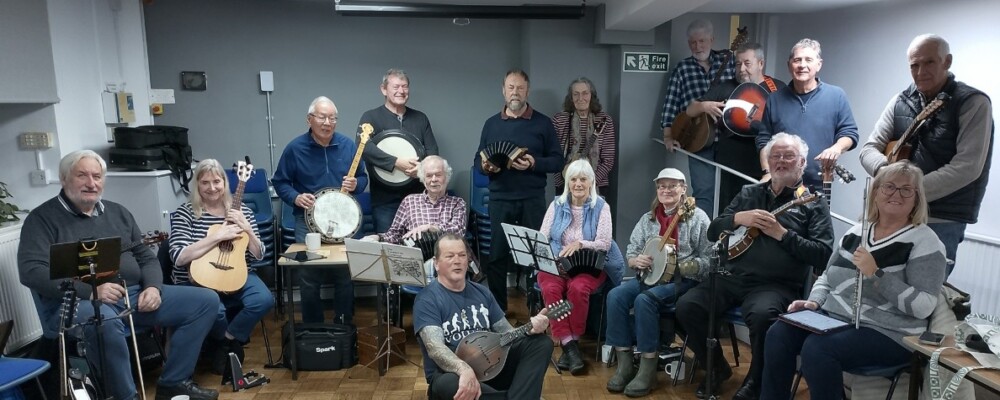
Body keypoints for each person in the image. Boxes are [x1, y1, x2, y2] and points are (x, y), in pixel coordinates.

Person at [18, 150, 219, 400]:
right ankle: (127, 397)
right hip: (75, 304)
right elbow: (30, 272)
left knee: (205, 302)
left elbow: (146, 257)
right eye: (82, 175)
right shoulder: (42, 219)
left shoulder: (118, 213)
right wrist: (90, 291)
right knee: (105, 322)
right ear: (64, 178)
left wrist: (154, 287)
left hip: (130, 296)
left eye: (97, 176)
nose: (91, 183)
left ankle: (174, 383)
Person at [760, 161, 946, 400]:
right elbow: (827, 277)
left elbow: (924, 306)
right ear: (876, 192)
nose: (896, 194)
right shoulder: (856, 232)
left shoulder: (926, 243)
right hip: (837, 320)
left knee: (818, 349)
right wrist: (814, 302)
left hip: (891, 333)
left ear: (917, 198)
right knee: (779, 333)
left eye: (906, 189)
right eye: (889, 186)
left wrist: (877, 274)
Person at [676, 133, 834, 400]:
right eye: (775, 156)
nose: (781, 161)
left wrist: (782, 234)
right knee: (686, 306)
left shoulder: (813, 203)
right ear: (768, 161)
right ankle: (716, 367)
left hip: (777, 285)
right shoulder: (749, 193)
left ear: (802, 163)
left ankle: (756, 380)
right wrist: (738, 217)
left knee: (762, 317)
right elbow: (713, 231)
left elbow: (822, 255)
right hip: (731, 277)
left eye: (788, 156)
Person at [859, 34, 993, 277]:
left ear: (947, 61)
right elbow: (869, 149)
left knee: (924, 292)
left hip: (941, 218)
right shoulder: (900, 100)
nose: (921, 71)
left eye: (929, 62)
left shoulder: (972, 103)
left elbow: (967, 167)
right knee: (879, 284)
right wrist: (886, 176)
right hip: (893, 214)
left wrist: (911, 191)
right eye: (914, 65)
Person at [604, 167, 713, 397]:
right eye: (662, 186)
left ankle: (648, 368)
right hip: (649, 277)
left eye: (672, 185)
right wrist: (635, 260)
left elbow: (709, 258)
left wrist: (686, 267)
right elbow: (631, 250)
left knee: (644, 300)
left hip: (683, 282)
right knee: (615, 296)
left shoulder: (698, 218)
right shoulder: (649, 218)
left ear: (684, 189)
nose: (666, 190)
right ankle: (625, 364)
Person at [414, 233, 553, 400]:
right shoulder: (427, 299)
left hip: (491, 367)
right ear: (436, 263)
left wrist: (530, 330)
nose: (457, 260)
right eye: (449, 256)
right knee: (450, 385)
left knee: (541, 343)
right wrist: (463, 369)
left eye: (462, 255)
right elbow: (435, 349)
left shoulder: (482, 292)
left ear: (468, 260)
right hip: (452, 373)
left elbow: (507, 334)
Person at [168, 159, 274, 375]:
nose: (212, 188)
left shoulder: (241, 211)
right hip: (197, 277)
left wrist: (247, 228)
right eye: (205, 182)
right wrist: (217, 237)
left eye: (217, 181)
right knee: (216, 310)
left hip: (236, 271)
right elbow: (178, 256)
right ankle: (225, 345)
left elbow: (259, 254)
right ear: (197, 185)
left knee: (263, 299)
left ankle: (226, 341)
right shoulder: (186, 213)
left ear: (225, 183)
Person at [272, 96, 368, 325]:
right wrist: (295, 197)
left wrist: (357, 185)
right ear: (309, 120)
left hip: (344, 224)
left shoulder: (348, 146)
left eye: (333, 118)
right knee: (308, 278)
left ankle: (344, 326)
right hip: (307, 223)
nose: (328, 122)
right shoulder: (294, 149)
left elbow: (363, 178)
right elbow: (280, 182)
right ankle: (313, 329)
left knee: (345, 277)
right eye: (322, 117)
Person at [474, 68, 565, 311]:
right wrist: (486, 166)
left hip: (532, 198)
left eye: (520, 88)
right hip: (500, 198)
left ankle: (536, 310)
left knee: (536, 257)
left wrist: (535, 162)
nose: (515, 92)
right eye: (511, 87)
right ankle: (498, 311)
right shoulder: (491, 124)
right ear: (504, 90)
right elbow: (477, 160)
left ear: (527, 91)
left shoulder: (543, 123)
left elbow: (558, 161)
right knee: (496, 256)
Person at [537, 159, 624, 375]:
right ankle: (570, 345)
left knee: (578, 289)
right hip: (558, 263)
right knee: (550, 289)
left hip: (589, 264)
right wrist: (555, 256)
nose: (578, 183)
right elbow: (542, 237)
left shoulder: (602, 206)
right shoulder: (556, 204)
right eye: (573, 179)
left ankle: (572, 340)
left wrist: (581, 244)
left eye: (583, 179)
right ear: (567, 182)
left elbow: (604, 242)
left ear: (591, 182)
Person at [363, 155, 468, 326]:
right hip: (414, 263)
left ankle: (443, 320)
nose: (434, 180)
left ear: (446, 177)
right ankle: (402, 324)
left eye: (438, 175)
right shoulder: (410, 201)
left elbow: (458, 231)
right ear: (422, 178)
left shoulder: (457, 203)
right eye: (429, 175)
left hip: (446, 261)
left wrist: (430, 227)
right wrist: (377, 237)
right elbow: (394, 234)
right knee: (389, 266)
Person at [684, 43, 787, 214]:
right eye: (738, 64)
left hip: (767, 164)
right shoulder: (726, 87)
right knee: (730, 213)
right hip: (731, 165)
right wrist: (704, 106)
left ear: (760, 64)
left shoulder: (778, 88)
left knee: (764, 212)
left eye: (747, 63)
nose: (742, 69)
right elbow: (690, 110)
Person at [756, 38, 859, 190]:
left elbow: (849, 133)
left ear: (819, 64)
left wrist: (836, 148)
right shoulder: (774, 99)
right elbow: (764, 139)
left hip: (819, 183)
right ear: (789, 65)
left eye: (808, 60)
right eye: (797, 60)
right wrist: (767, 172)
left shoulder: (836, 95)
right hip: (781, 184)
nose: (802, 65)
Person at [660, 19, 736, 215]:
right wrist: (668, 136)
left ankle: (727, 238)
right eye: (693, 42)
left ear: (711, 39)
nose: (697, 46)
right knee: (703, 191)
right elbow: (670, 103)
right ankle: (705, 238)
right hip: (697, 140)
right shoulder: (682, 69)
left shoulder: (729, 64)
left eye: (702, 41)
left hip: (728, 138)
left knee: (731, 191)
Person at [358, 68, 440, 233]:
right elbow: (364, 147)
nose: (401, 91)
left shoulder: (420, 118)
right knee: (389, 248)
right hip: (384, 200)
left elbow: (433, 152)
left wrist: (422, 170)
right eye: (396, 87)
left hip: (417, 198)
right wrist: (396, 162)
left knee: (420, 245)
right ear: (384, 89)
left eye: (405, 86)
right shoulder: (371, 117)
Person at [551, 77, 617, 199]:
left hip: (597, 185)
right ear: (571, 97)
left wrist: (590, 182)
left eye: (585, 93)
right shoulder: (560, 120)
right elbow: (554, 155)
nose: (580, 98)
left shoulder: (604, 120)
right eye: (576, 94)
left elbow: (608, 159)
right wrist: (563, 181)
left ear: (592, 95)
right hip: (565, 184)